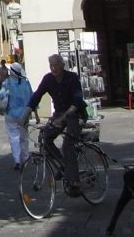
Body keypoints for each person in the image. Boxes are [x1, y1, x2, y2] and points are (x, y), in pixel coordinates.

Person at [19, 53, 88, 196]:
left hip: (76, 113)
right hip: (59, 113)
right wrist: (24, 116)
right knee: (44, 138)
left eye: (56, 65)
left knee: (68, 144)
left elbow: (77, 101)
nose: (54, 68)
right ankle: (64, 166)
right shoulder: (48, 79)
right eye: (51, 65)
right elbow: (36, 97)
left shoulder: (72, 78)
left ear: (62, 65)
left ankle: (75, 183)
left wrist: (63, 118)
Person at [0, 61, 37, 169]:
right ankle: (25, 157)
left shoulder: (7, 82)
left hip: (11, 113)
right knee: (24, 137)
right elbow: (32, 98)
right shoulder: (26, 83)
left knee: (13, 137)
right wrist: (35, 113)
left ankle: (17, 160)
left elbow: (0, 94)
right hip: (24, 114)